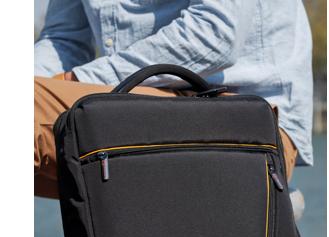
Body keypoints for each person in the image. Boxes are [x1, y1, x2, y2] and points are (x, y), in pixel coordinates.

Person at [35, 0, 314, 199]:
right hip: (129, 106)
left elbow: (215, 34)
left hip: (243, 119)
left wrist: (72, 81)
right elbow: (63, 40)